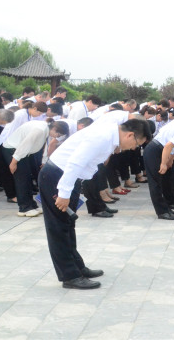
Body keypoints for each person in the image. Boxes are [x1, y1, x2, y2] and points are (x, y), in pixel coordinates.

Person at [39, 119, 151, 289]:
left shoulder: (110, 134)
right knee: (58, 228)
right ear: (130, 135)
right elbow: (75, 162)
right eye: (136, 144)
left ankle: (78, 267)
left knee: (68, 224)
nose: (134, 148)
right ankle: (70, 276)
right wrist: (63, 193)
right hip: (58, 177)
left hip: (68, 177)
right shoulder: (103, 136)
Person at [2, 121, 69, 217]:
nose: (56, 137)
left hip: (24, 153)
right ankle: (24, 208)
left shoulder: (45, 129)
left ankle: (31, 205)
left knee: (28, 178)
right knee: (22, 180)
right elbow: (25, 145)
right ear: (54, 129)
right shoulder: (40, 129)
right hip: (15, 151)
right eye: (58, 134)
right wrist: (14, 162)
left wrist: (44, 161)